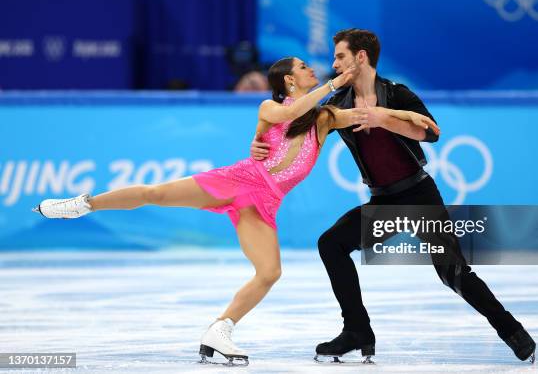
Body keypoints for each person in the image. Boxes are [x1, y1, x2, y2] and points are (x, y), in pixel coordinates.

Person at [32, 56, 435, 366]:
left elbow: (368, 116)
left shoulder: (325, 118)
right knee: (156, 192)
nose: (312, 69)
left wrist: (408, 115)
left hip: (265, 202)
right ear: (289, 80)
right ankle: (82, 203)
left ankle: (219, 330)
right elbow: (292, 113)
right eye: (303, 68)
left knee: (270, 272)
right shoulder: (270, 107)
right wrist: (333, 83)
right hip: (239, 180)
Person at [251, 29, 536, 363]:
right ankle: (357, 330)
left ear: (360, 57)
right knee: (331, 244)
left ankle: (512, 330)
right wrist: (258, 142)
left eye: (340, 56)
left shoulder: (397, 93)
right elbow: (290, 128)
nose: (334, 63)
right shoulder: (337, 104)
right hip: (384, 203)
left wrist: (384, 117)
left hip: (419, 196)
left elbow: (430, 133)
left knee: (453, 273)